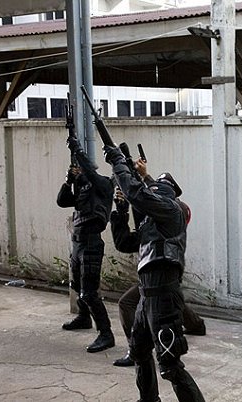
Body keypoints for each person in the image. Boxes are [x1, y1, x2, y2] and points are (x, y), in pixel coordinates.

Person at [104, 146, 205, 402]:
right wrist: (120, 210)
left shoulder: (172, 212)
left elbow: (140, 195)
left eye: (156, 194)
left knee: (170, 366)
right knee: (139, 351)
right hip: (145, 296)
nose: (153, 197)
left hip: (163, 296)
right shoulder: (151, 223)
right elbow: (124, 242)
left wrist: (119, 163)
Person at [56, 137, 115, 353]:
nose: (81, 171)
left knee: (89, 291)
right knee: (77, 286)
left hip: (91, 242)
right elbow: (62, 201)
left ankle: (106, 333)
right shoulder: (82, 186)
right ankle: (83, 317)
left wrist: (78, 151)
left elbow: (91, 173)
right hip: (77, 242)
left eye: (83, 169)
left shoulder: (104, 184)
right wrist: (69, 180)